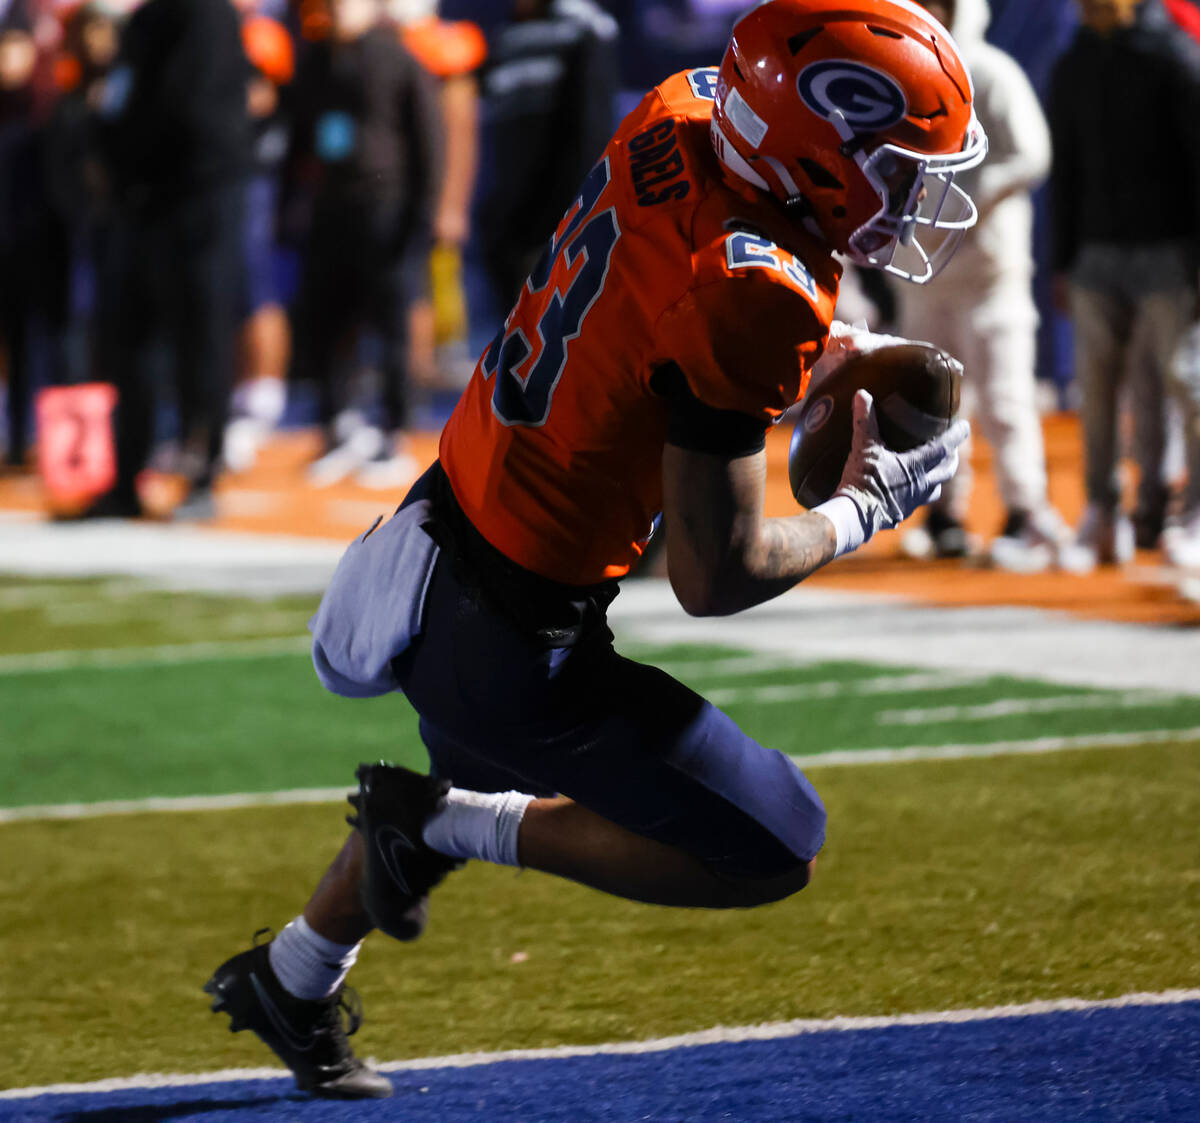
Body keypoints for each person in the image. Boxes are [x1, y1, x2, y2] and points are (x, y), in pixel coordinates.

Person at [203, 0, 983, 1099]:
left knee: (460, 786)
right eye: (896, 167)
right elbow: (716, 573)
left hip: (445, 524)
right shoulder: (759, 287)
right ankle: (439, 824)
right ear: (818, 146)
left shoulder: (683, 108)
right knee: (774, 843)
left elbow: (649, 314)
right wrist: (870, 501)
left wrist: (819, 354)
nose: (912, 196)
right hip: (518, 643)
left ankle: (291, 975)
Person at [895, 0, 1073, 571]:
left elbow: (1031, 153)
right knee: (933, 404)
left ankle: (1027, 511)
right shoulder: (899, 75)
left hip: (990, 269)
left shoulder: (991, 72)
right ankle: (945, 512)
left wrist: (970, 202)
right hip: (922, 272)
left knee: (1004, 398)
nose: (929, 10)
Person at [1049, 0, 1200, 568]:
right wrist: (1065, 261)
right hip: (1096, 257)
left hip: (1170, 256)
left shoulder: (1176, 58)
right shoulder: (1073, 65)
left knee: (1188, 383)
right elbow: (1067, 171)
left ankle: (1193, 516)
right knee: (1097, 390)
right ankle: (1101, 513)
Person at [87, 0, 253, 519]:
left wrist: (126, 150)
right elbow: (121, 99)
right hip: (145, 201)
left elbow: (186, 107)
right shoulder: (144, 19)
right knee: (129, 340)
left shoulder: (209, 16)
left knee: (200, 340)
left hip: (199, 199)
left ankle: (201, 474)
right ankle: (126, 476)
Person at [282, 0, 443, 489]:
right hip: (332, 211)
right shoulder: (317, 63)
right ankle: (338, 428)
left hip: (386, 208)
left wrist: (424, 215)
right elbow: (298, 142)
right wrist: (289, 210)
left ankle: (392, 431)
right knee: (330, 323)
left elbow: (428, 141)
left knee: (391, 323)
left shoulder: (398, 59)